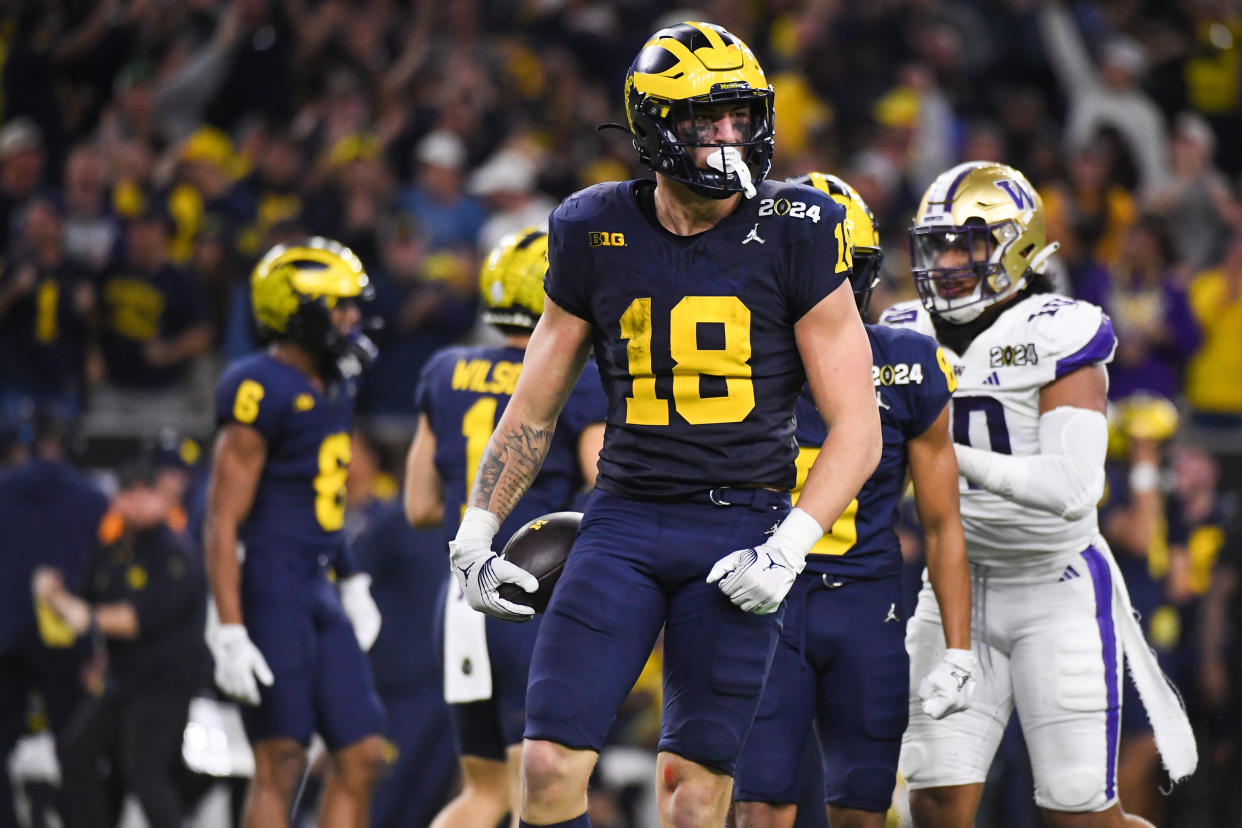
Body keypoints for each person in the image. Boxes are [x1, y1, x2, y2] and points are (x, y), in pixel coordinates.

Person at [447, 22, 882, 828]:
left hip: (740, 524)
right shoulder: (592, 227)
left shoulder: (801, 228)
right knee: (543, 766)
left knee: (691, 792)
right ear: (653, 126)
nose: (728, 139)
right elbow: (534, 403)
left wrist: (788, 547)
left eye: (740, 118)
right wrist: (477, 530)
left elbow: (858, 426)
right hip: (623, 519)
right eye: (703, 121)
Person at [880, 161, 1197, 827]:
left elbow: (1075, 485)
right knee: (934, 805)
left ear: (1017, 244)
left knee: (1077, 812)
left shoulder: (1060, 329)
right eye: (936, 244)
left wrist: (945, 457)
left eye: (966, 242)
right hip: (953, 589)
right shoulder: (904, 327)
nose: (947, 261)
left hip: (1053, 588)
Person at [731, 173, 973, 828]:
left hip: (868, 605)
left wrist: (959, 647)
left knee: (864, 811)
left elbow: (944, 523)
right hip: (765, 603)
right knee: (761, 807)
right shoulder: (728, 359)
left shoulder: (907, 364)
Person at [404, 227, 607, 828]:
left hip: (461, 599)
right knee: (537, 790)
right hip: (531, 596)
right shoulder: (579, 377)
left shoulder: (444, 370)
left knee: (484, 792)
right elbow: (603, 480)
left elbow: (418, 505)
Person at [202, 237, 389, 828]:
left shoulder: (335, 380)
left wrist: (352, 577)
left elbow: (321, 502)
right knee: (281, 758)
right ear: (297, 309)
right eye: (339, 306)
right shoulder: (259, 385)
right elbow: (222, 519)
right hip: (270, 584)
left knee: (362, 755)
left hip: (317, 580)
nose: (352, 318)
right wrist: (229, 628)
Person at [37, 460, 208, 828]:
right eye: (127, 493)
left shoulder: (174, 554)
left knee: (145, 772)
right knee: (76, 751)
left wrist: (81, 613)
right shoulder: (114, 550)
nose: (133, 503)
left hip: (164, 684)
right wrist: (55, 593)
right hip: (121, 679)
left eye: (142, 493)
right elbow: (85, 596)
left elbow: (132, 620)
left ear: (158, 498)